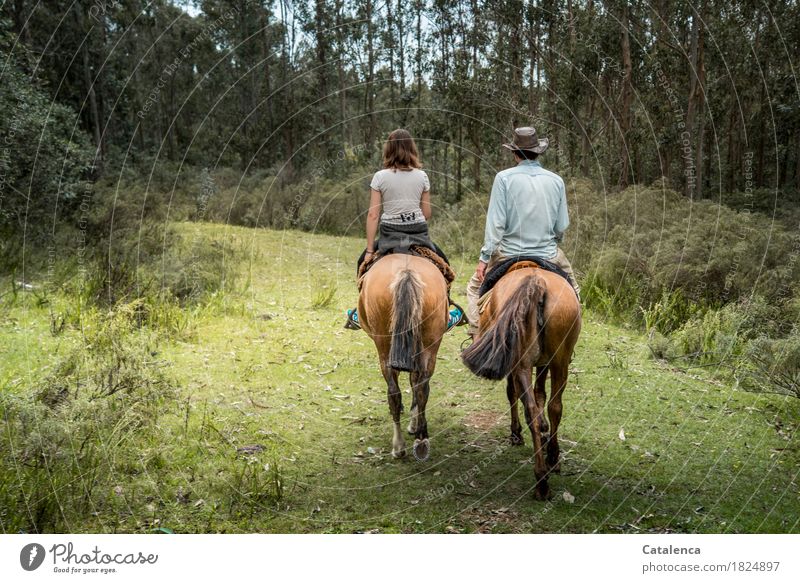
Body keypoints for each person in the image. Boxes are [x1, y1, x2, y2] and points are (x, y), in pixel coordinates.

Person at [465, 126, 580, 338]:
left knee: (473, 289)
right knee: (574, 292)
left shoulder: (504, 178)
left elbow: (496, 225)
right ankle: (568, 342)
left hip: (508, 253)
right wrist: (555, 239)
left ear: (514, 153)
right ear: (538, 152)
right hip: (548, 254)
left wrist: (484, 258)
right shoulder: (556, 180)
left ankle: (477, 336)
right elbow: (561, 225)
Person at [346, 129, 464, 330]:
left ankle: (359, 313)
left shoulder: (380, 177)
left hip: (389, 236)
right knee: (444, 267)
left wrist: (368, 250)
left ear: (388, 150)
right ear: (412, 150)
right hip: (418, 235)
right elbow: (426, 213)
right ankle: (447, 310)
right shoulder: (422, 176)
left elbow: (373, 215)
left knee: (362, 265)